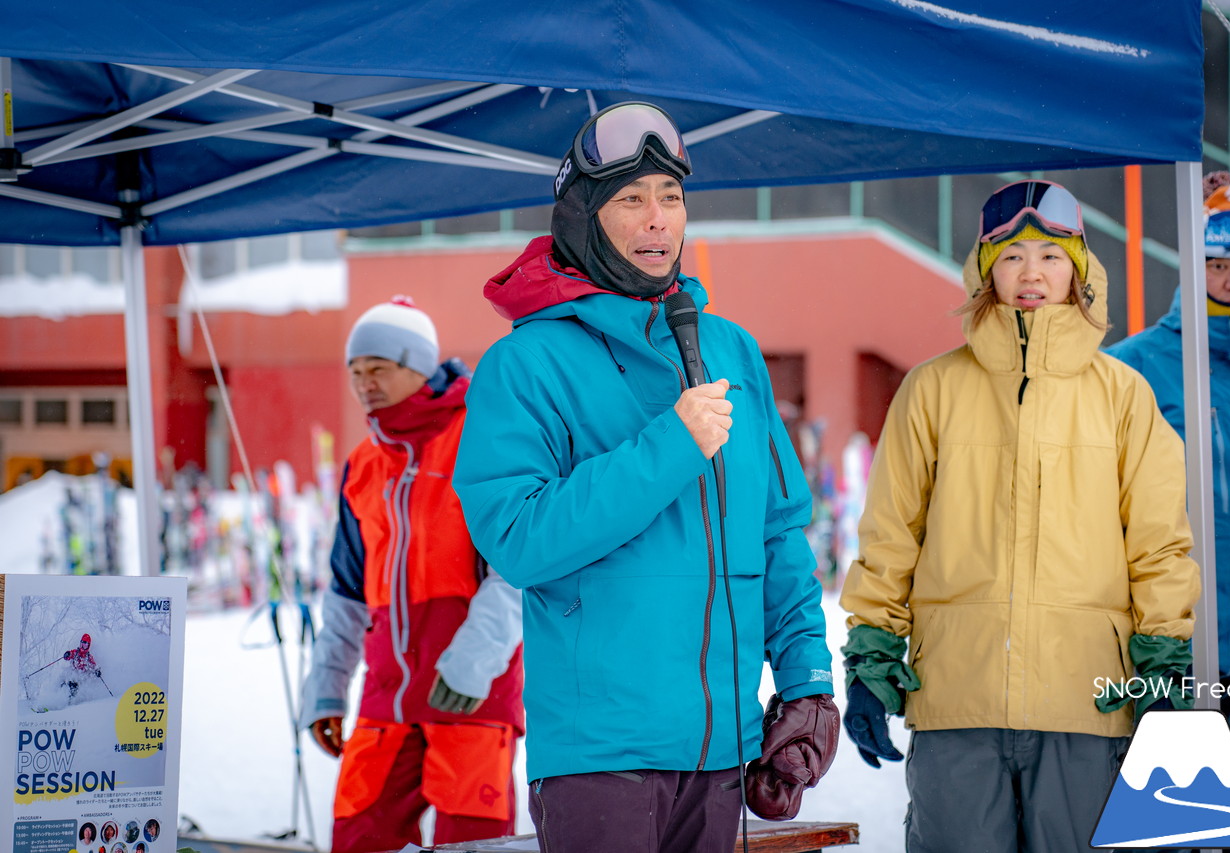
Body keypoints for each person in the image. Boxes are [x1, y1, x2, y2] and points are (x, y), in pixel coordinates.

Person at [453, 101, 839, 853]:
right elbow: (518, 540)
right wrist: (669, 445)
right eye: (631, 200)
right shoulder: (525, 364)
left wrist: (806, 680)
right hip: (601, 760)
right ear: (586, 217)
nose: (657, 220)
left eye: (671, 197)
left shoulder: (733, 352)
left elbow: (780, 533)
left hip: (724, 754)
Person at [839, 179, 1201, 852]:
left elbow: (1158, 545)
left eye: (1050, 256)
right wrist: (870, 663)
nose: (1031, 273)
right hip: (957, 697)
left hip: (1088, 704)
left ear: (1079, 271)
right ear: (984, 271)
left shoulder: (1123, 396)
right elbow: (890, 537)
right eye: (1010, 256)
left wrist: (1163, 662)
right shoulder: (932, 389)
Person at [300, 297, 524, 852]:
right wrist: (327, 688)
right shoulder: (364, 463)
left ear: (419, 367)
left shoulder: (481, 438)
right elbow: (349, 590)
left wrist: (473, 663)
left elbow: (517, 567)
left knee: (471, 848)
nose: (364, 383)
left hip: (470, 696)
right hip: (386, 697)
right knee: (357, 837)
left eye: (379, 368)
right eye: (355, 371)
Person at [1108, 171, 1230, 840]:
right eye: (1218, 265)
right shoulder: (1134, 367)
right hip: (1168, 654)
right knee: (1172, 831)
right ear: (1192, 266)